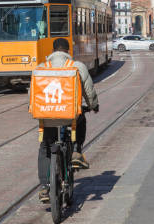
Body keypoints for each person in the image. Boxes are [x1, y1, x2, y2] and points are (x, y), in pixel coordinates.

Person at [37, 38, 99, 203]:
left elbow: (33, 95)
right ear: (67, 51)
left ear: (53, 51)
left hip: (48, 117)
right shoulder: (77, 67)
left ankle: (44, 187)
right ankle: (77, 150)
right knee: (81, 119)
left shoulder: (41, 68)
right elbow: (88, 90)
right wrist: (93, 105)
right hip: (70, 116)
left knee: (45, 147)